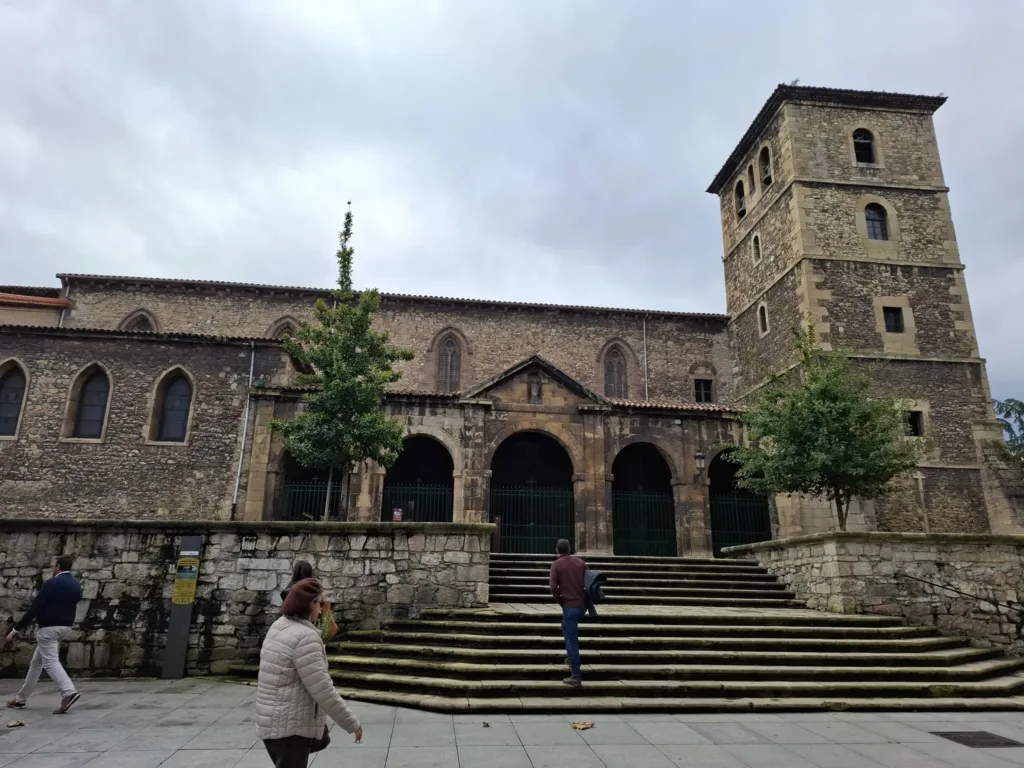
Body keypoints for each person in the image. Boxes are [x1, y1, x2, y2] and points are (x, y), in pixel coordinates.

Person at [256, 578, 362, 767]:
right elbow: (322, 689)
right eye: (319, 603)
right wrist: (351, 722)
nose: (321, 609)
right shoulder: (305, 637)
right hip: (290, 728)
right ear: (309, 605)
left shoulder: (279, 626)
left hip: (272, 722)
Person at [4, 554, 83, 714]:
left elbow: (35, 608)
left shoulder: (51, 583)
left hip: (48, 628)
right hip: (65, 627)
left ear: (58, 566)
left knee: (50, 662)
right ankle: (21, 699)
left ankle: (68, 691)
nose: (53, 569)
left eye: (54, 566)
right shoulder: (76, 585)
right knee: (36, 663)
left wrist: (15, 630)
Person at [548, 539, 587, 687]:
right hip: (581, 606)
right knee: (565, 627)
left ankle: (575, 674)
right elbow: (588, 583)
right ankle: (570, 658)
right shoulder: (581, 563)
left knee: (572, 640)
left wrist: (561, 599)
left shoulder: (556, 564)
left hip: (569, 605)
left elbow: (553, 587)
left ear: (557, 551)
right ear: (570, 549)